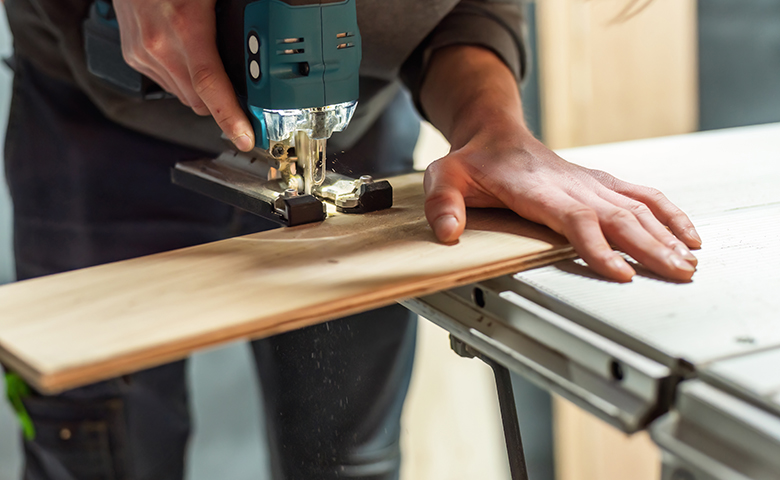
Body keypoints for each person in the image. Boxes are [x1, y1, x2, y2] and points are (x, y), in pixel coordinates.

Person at [2, 0, 701, 479]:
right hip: (91, 122)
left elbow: (464, 10)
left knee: (347, 459)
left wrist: (494, 126)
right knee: (99, 452)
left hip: (357, 125)